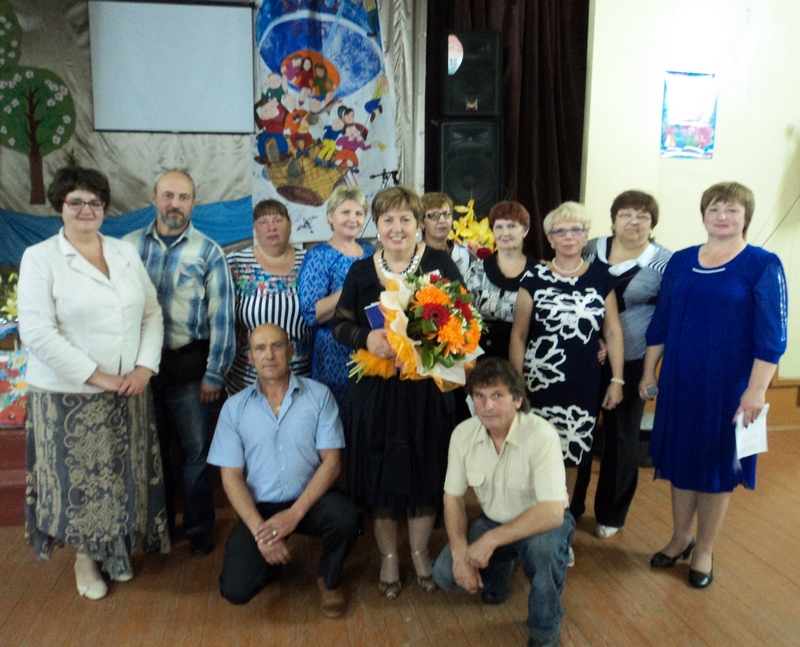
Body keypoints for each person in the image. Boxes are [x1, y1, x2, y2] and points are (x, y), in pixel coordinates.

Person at [19, 167, 170, 601]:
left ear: (104, 208)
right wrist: (98, 376)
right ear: (60, 206)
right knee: (81, 484)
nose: (86, 210)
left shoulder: (124, 252)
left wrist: (144, 368)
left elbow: (151, 314)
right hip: (69, 395)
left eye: (95, 203)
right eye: (76, 202)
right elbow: (38, 333)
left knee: (122, 477)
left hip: (129, 389)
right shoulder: (40, 258)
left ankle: (117, 552)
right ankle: (85, 557)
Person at [640, 182, 787, 589]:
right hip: (681, 380)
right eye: (714, 209)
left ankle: (704, 547)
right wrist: (649, 371)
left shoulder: (763, 264)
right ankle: (679, 537)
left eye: (732, 210)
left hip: (730, 386)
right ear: (703, 214)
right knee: (681, 459)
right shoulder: (682, 260)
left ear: (746, 217)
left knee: (718, 464)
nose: (722, 216)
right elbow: (661, 322)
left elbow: (773, 337)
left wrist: (756, 390)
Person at [331, 185, 463, 599]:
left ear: (418, 223)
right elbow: (339, 324)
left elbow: (462, 319)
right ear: (377, 225)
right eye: (388, 219)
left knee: (425, 472)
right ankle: (389, 556)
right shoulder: (360, 271)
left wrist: (425, 345)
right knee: (381, 476)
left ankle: (420, 552)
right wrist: (366, 339)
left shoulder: (439, 263)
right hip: (377, 391)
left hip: (427, 389)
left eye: (406, 219)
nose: (397, 227)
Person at [208, 324, 360, 617]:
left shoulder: (319, 396)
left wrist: (294, 514)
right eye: (260, 348)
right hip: (260, 509)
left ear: (291, 351)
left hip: (310, 500)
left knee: (347, 517)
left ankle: (329, 579)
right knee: (236, 590)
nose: (269, 355)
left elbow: (332, 463)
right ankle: (271, 563)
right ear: (250, 357)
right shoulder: (234, 409)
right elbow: (231, 478)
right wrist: (261, 533)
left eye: (277, 346)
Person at [126, 169, 235, 557]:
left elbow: (222, 317)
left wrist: (215, 373)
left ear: (193, 203)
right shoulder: (126, 248)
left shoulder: (208, 251)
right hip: (139, 372)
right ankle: (158, 527)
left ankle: (199, 526)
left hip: (190, 370)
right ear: (154, 197)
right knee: (150, 453)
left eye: (184, 197)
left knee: (196, 455)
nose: (175, 204)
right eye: (168, 195)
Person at [509, 202, 624, 565]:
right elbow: (519, 334)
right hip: (538, 381)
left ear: (586, 235)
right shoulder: (534, 277)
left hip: (582, 382)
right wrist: (516, 384)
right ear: (549, 238)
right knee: (533, 455)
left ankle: (560, 532)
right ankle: (527, 528)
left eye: (576, 230)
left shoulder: (601, 277)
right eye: (561, 231)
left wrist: (617, 378)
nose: (569, 237)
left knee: (573, 456)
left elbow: (613, 332)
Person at [432, 358, 573, 647]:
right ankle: (501, 572)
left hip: (540, 525)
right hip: (493, 521)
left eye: (497, 395)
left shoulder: (542, 435)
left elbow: (552, 512)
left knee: (543, 552)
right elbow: (453, 497)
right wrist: (459, 552)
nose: (487, 406)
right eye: (479, 396)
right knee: (445, 573)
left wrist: (490, 540)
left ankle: (545, 630)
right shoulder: (462, 435)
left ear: (518, 400)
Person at [570, 190, 672, 538]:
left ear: (652, 224)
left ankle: (611, 513)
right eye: (626, 214)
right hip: (583, 354)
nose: (633, 221)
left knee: (621, 435)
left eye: (643, 216)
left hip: (632, 359)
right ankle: (570, 507)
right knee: (577, 429)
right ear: (613, 220)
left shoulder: (665, 262)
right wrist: (595, 339)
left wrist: (651, 369)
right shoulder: (589, 248)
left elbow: (665, 317)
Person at [299, 186, 375, 410]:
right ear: (331, 216)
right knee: (337, 416)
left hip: (371, 345)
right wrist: (352, 288)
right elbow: (312, 313)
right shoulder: (319, 255)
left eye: (359, 213)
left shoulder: (370, 251)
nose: (353, 219)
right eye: (345, 212)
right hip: (334, 351)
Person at [226, 199, 313, 393]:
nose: (271, 227)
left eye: (278, 220)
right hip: (248, 379)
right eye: (263, 222)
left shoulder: (310, 261)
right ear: (255, 230)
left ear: (290, 226)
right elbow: (221, 320)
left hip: (301, 377)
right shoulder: (235, 263)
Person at [464, 200, 536, 360]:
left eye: (511, 226)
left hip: (526, 359)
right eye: (499, 227)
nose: (505, 233)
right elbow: (464, 315)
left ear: (525, 230)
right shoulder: (477, 270)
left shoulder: (539, 273)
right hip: (481, 358)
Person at [421, 192, 472, 277]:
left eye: (446, 214)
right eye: (434, 215)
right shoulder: (414, 257)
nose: (442, 221)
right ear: (421, 223)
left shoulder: (465, 255)